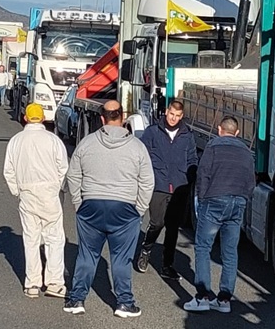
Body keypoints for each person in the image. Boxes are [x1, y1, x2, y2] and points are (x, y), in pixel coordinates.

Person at [64, 101, 154, 318]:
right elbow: (147, 181)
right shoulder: (137, 146)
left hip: (91, 205)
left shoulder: (87, 143)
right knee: (121, 258)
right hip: (125, 207)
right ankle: (124, 303)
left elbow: (73, 175)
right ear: (122, 117)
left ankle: (77, 299)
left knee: (87, 254)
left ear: (102, 118)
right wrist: (139, 209)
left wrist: (78, 202)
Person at [184, 117, 255, 314]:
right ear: (237, 133)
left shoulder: (213, 147)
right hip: (237, 202)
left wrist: (202, 198)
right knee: (230, 251)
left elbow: (203, 174)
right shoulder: (246, 152)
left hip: (214, 199)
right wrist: (243, 198)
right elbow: (251, 181)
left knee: (203, 247)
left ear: (219, 129)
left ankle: (203, 297)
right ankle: (224, 299)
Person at [3, 103, 69, 298]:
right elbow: (63, 168)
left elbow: (9, 171)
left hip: (27, 192)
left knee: (31, 238)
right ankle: (54, 282)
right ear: (42, 118)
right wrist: (59, 188)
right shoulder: (53, 140)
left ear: (25, 118)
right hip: (49, 193)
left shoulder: (16, 141)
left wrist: (17, 191)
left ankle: (32, 284)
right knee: (54, 238)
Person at [135, 99, 197, 280]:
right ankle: (146, 249)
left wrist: (191, 178)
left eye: (177, 115)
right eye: (171, 114)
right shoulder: (152, 132)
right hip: (158, 185)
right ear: (166, 112)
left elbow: (192, 159)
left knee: (173, 227)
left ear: (181, 116)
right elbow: (142, 156)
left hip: (180, 187)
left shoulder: (187, 135)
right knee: (157, 222)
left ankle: (167, 265)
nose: (173, 118)